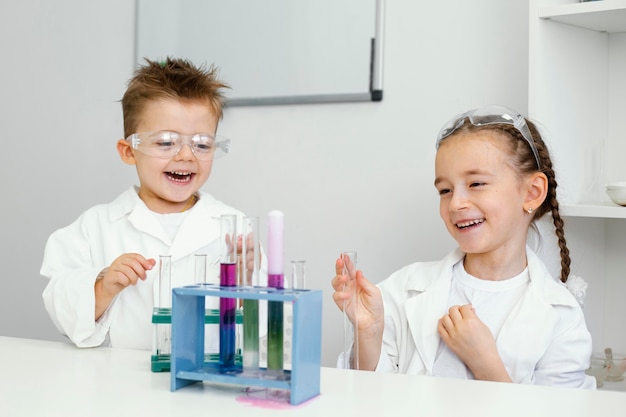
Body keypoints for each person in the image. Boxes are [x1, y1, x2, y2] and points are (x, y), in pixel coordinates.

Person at [331, 105, 595, 388]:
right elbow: (365, 394)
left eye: (476, 183)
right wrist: (368, 335)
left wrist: (486, 364)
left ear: (532, 193)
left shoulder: (561, 316)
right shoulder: (402, 290)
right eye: (445, 190)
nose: (456, 203)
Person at [41, 57, 266, 350]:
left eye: (202, 144)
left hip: (207, 385)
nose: (186, 155)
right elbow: (63, 311)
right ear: (129, 151)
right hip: (123, 385)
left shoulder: (235, 228)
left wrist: (249, 281)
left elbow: (263, 330)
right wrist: (102, 285)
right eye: (165, 142)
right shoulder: (94, 227)